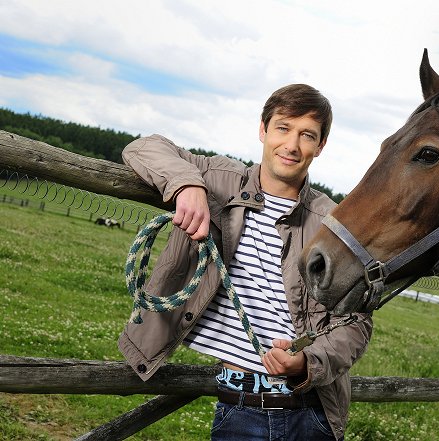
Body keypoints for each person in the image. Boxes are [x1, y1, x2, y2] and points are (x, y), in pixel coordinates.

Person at [118, 83, 372, 440]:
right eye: (283, 128)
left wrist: (306, 362)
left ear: (321, 146)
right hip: (239, 407)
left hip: (312, 414)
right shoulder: (220, 180)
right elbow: (143, 147)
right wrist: (186, 185)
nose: (292, 145)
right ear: (263, 129)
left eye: (307, 135)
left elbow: (356, 322)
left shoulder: (331, 222)